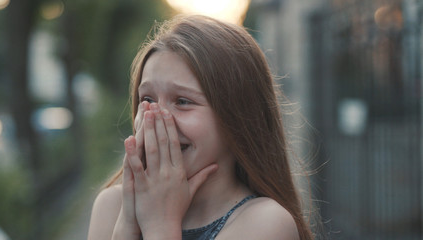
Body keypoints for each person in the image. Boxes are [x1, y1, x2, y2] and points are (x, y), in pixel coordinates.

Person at [88, 15, 314, 240]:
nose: (156, 118)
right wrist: (127, 227)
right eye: (148, 99)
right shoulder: (111, 207)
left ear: (237, 118)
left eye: (183, 101)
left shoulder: (265, 222)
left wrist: (160, 226)